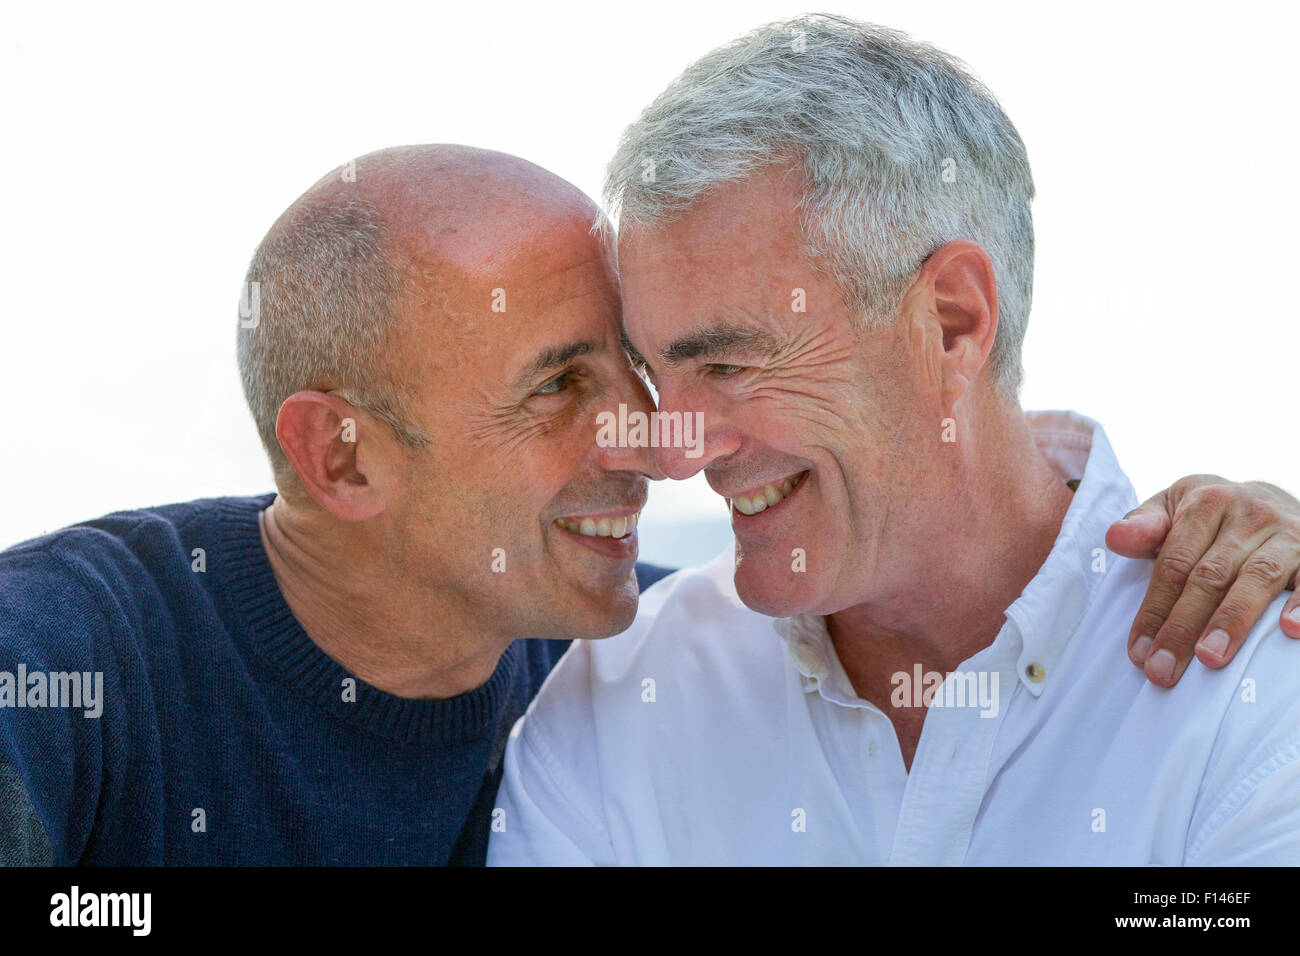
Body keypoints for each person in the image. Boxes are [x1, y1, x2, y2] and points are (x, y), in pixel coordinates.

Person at [488, 16, 1300, 865]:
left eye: (727, 363)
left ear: (952, 322)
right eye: (658, 377)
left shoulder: (1255, 686)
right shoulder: (623, 699)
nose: (674, 452)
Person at [0, 145, 669, 864]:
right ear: (340, 458)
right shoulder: (52, 660)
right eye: (558, 384)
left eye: (636, 362)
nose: (653, 440)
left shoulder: (695, 652)